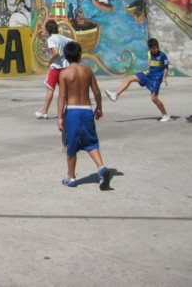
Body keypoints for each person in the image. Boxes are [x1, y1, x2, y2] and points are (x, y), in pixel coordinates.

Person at [57, 41, 111, 190]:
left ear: (65, 56)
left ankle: (71, 177)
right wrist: (99, 107)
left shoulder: (64, 73)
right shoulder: (87, 71)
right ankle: (101, 168)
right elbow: (97, 92)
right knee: (91, 143)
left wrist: (60, 117)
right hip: (87, 110)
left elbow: (61, 96)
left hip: (72, 112)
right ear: (80, 55)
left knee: (71, 146)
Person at [104, 37, 170, 121]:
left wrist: (164, 78)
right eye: (154, 48)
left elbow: (166, 67)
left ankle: (165, 115)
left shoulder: (162, 55)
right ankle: (115, 95)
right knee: (129, 78)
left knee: (154, 98)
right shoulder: (149, 54)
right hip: (148, 75)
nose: (156, 49)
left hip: (156, 79)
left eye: (157, 47)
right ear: (150, 48)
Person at [35, 20, 71, 119]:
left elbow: (55, 53)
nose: (44, 30)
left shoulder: (51, 39)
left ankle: (44, 112)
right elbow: (74, 42)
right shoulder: (63, 38)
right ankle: (67, 111)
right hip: (64, 68)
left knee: (50, 89)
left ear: (48, 29)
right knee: (64, 91)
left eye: (45, 28)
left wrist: (49, 62)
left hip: (55, 68)